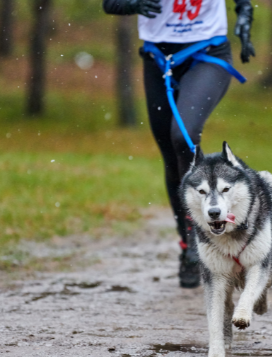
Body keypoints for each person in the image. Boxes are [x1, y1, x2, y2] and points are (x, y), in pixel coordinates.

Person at [103, 0, 255, 288]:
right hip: (158, 59)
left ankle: (207, 237)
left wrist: (245, 12)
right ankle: (188, 245)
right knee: (172, 158)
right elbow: (109, 4)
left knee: (182, 136)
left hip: (207, 53)